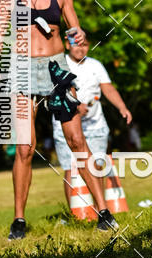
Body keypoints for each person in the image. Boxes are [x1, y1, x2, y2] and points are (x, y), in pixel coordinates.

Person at [0, 0, 118, 239]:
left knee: (76, 141)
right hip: (21, 70)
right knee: (24, 148)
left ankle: (104, 212)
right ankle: (19, 221)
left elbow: (75, 29)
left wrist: (78, 36)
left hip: (56, 68)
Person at [52, 35, 132, 207]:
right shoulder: (60, 65)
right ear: (67, 45)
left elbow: (108, 88)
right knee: (71, 168)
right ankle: (74, 212)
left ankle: (101, 210)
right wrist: (75, 105)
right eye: (76, 45)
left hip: (94, 124)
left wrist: (122, 107)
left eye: (85, 45)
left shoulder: (95, 65)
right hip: (66, 123)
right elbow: (56, 92)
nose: (81, 49)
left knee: (96, 165)